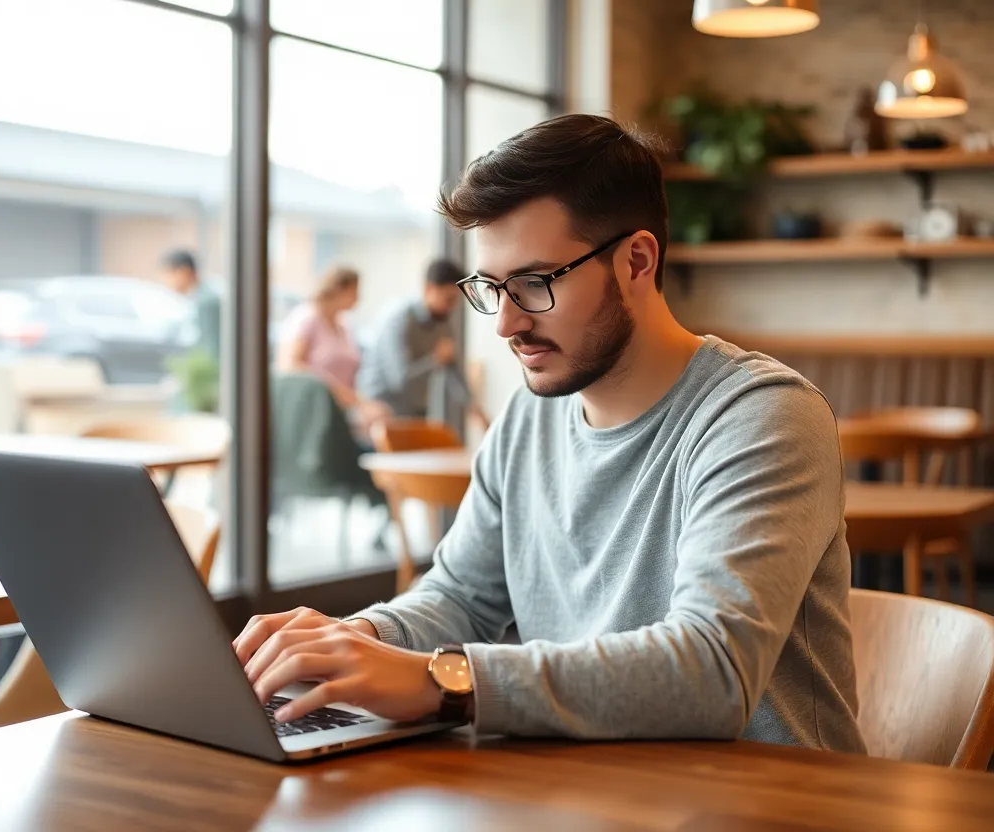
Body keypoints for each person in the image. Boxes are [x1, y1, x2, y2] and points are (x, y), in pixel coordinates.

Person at [232, 113, 866, 754]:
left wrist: (441, 681)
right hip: (583, 790)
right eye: (491, 288)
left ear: (636, 262)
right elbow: (460, 598)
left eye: (534, 284)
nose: (505, 324)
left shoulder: (762, 416)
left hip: (767, 795)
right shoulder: (527, 418)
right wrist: (358, 641)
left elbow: (714, 669)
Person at [357, 259, 489, 431]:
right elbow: (400, 380)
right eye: (448, 299)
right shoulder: (399, 319)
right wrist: (436, 360)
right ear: (429, 289)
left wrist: (476, 411)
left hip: (415, 410)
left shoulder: (443, 321)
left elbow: (453, 368)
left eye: (455, 300)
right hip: (382, 411)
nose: (452, 306)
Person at [275, 266, 391, 432]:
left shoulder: (344, 325)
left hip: (339, 411)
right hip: (311, 411)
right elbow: (291, 366)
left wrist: (361, 403)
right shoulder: (306, 318)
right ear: (339, 290)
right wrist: (346, 396)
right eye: (354, 291)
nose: (358, 298)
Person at [163, 249, 221, 365]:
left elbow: (212, 349)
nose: (167, 282)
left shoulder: (206, 302)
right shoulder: (198, 298)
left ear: (183, 272)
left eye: (169, 275)